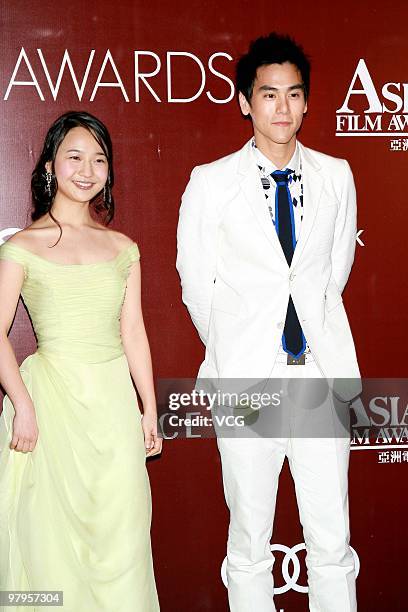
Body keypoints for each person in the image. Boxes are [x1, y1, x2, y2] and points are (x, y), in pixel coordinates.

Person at [176, 33, 361, 611]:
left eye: (293, 95)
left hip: (318, 376)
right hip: (247, 382)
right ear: (245, 102)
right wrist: (238, 346)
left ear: (307, 103)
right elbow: (195, 283)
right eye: (268, 94)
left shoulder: (337, 175)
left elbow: (334, 272)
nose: (282, 108)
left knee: (332, 543)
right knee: (249, 542)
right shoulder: (211, 181)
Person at [0, 111, 161, 611]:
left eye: (99, 159)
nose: (87, 169)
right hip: (51, 406)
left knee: (122, 536)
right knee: (50, 542)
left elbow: (132, 331)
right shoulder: (21, 247)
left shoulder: (123, 248)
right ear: (50, 165)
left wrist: (149, 409)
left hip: (113, 406)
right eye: (74, 157)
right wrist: (22, 405)